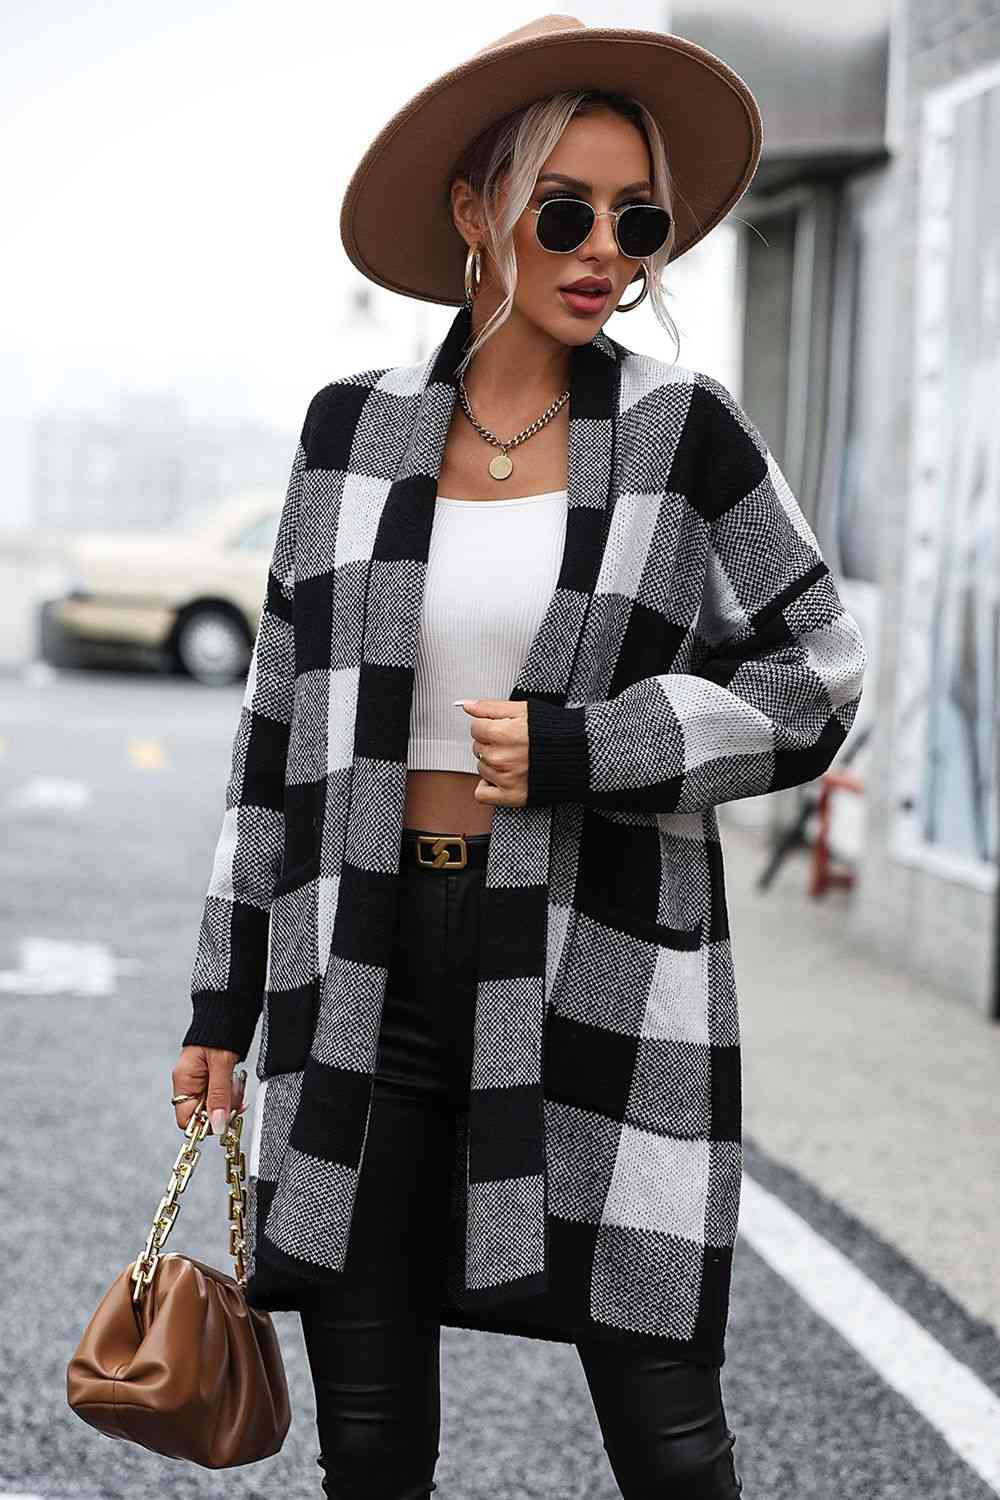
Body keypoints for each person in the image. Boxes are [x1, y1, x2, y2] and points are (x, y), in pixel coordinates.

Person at [171, 16, 868, 1499]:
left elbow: (819, 669)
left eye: (638, 220)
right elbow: (274, 731)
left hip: (593, 959)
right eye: (567, 211)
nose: (606, 249)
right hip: (361, 968)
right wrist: (222, 1001)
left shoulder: (685, 433)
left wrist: (595, 746)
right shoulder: (351, 434)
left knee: (670, 1440)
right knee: (370, 1451)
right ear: (476, 212)